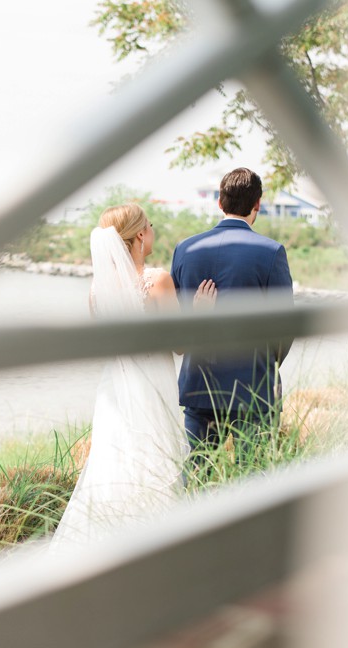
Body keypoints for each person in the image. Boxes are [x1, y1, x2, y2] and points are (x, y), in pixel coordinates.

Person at [53, 204, 215, 544]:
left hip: (114, 390)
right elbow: (181, 345)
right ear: (140, 234)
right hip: (152, 388)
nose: (153, 231)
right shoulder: (157, 280)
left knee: (112, 463)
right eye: (150, 225)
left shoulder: (98, 291)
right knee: (155, 461)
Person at [170, 167, 294, 453]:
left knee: (198, 476)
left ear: (219, 202)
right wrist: (267, 364)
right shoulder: (271, 252)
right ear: (257, 205)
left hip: (199, 386)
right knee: (253, 479)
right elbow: (285, 327)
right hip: (254, 387)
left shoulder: (185, 249)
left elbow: (174, 321)